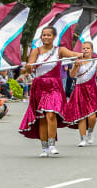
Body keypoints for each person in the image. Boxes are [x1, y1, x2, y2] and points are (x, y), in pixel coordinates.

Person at [19, 26, 83, 157]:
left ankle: (52, 144)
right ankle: (45, 148)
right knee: (42, 118)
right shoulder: (35, 51)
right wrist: (28, 67)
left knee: (51, 114)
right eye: (44, 35)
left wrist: (81, 55)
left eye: (48, 35)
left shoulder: (60, 50)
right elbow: (29, 69)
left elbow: (73, 54)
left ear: (54, 37)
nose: (46, 37)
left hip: (54, 85)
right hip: (39, 86)